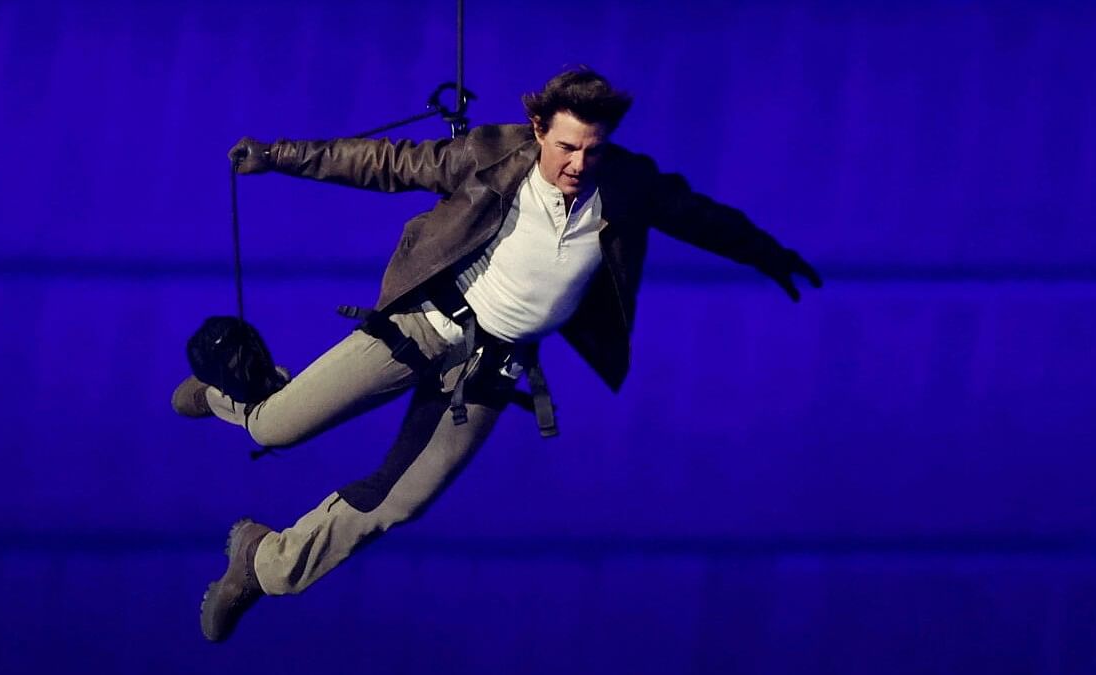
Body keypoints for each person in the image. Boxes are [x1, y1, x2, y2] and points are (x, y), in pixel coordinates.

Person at [172, 68, 821, 643]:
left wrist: (769, 254)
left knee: (402, 499)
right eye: (566, 146)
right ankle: (221, 396)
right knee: (276, 424)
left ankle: (263, 562)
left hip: (490, 367)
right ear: (539, 128)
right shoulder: (491, 154)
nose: (576, 163)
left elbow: (702, 217)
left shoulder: (625, 183)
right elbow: (386, 163)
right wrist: (278, 155)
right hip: (422, 325)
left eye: (591, 150)